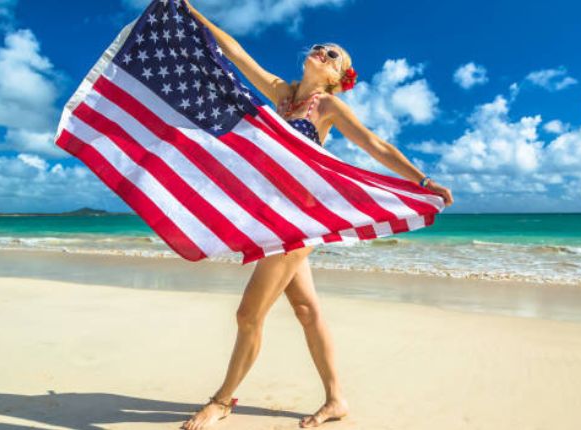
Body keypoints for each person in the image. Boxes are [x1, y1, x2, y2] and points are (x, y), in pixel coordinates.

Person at [180, 2, 454, 429]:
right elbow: (235, 54)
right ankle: (336, 400)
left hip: (298, 223)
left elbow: (375, 146)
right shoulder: (283, 94)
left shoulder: (326, 107)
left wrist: (422, 181)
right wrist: (192, 12)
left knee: (247, 315)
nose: (322, 53)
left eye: (333, 56)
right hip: (274, 218)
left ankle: (221, 400)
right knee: (307, 311)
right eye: (321, 48)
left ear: (336, 79)